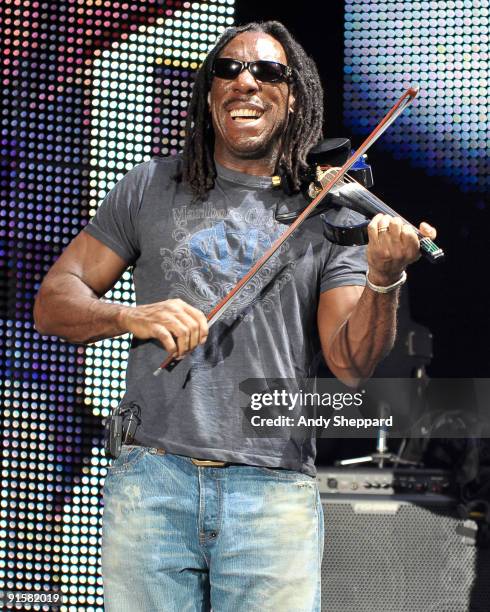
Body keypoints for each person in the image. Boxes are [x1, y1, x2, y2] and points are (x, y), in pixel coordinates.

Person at [33, 20, 437, 612]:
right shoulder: (149, 185)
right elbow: (53, 301)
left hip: (271, 491)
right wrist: (131, 315)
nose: (245, 81)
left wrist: (383, 277)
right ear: (210, 90)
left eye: (267, 71)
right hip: (151, 480)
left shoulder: (331, 209)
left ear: (292, 95)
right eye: (229, 69)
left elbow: (350, 365)